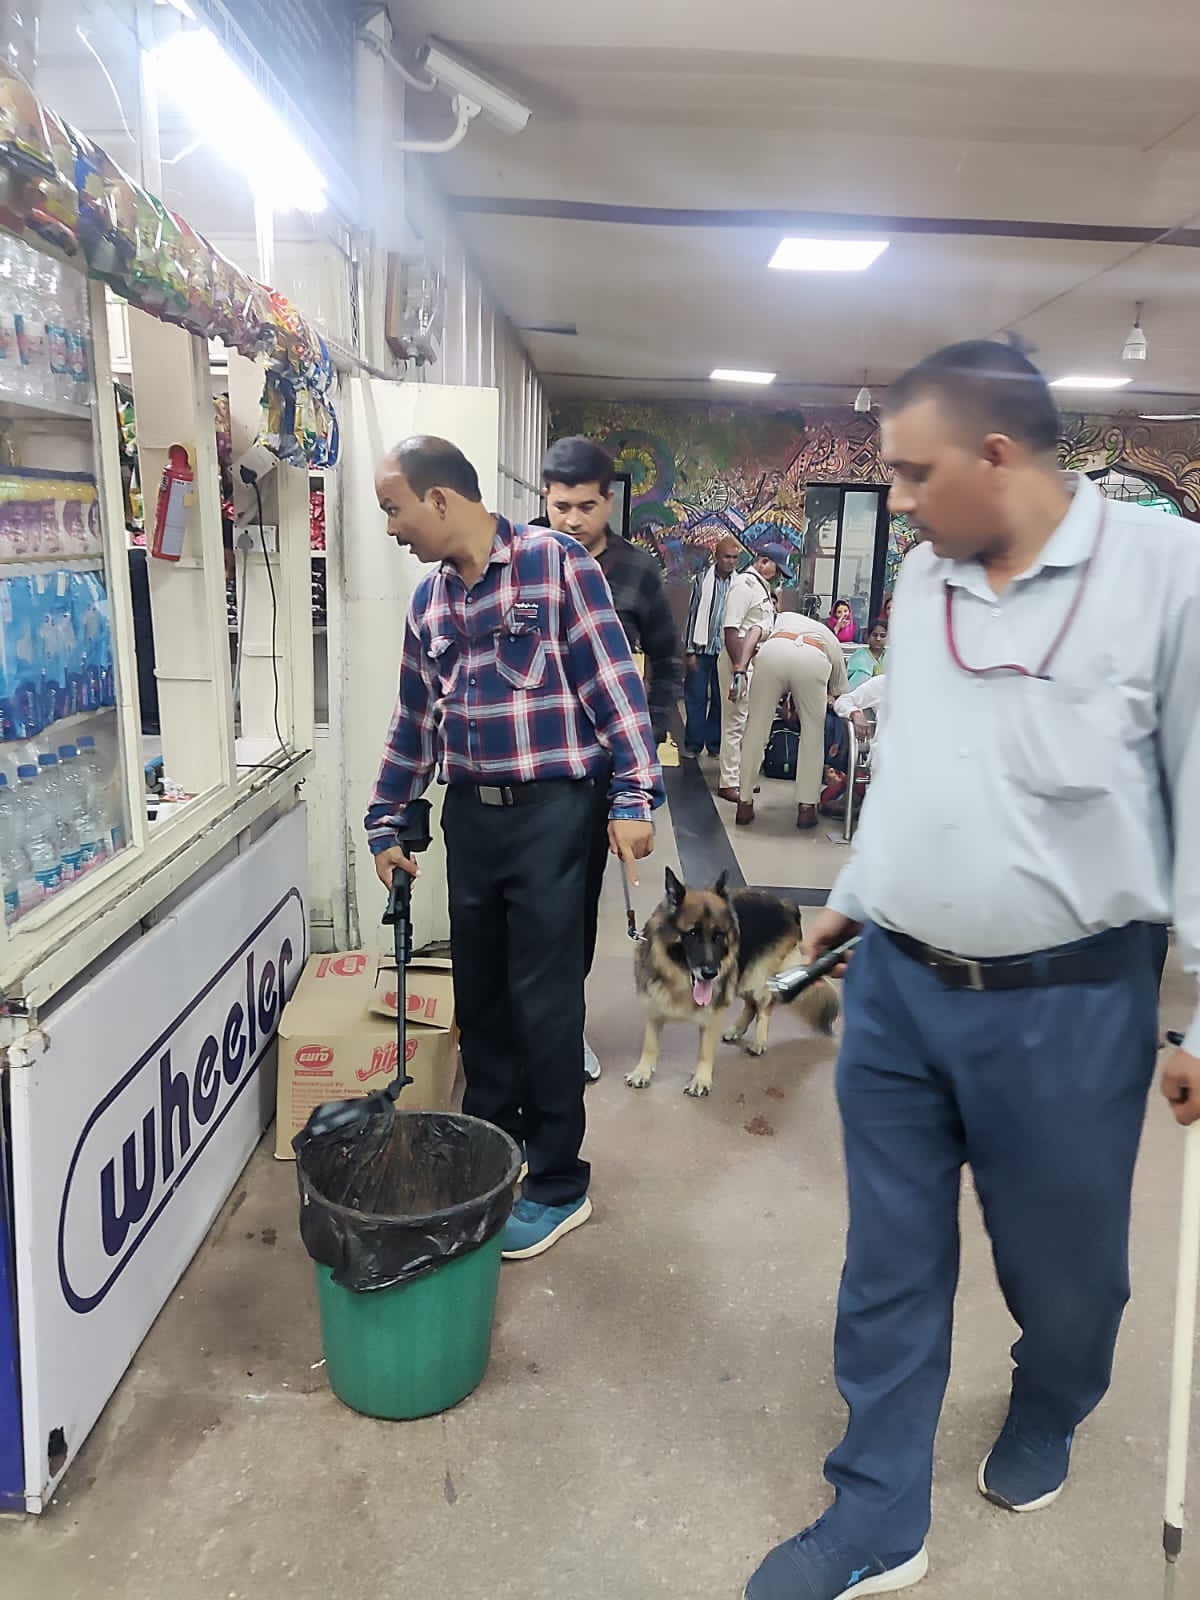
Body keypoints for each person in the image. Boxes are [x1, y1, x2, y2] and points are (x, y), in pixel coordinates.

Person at [745, 341, 1200, 1600]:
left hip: (1072, 1004)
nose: (895, 500)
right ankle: (877, 1511)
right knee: (888, 1262)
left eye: (912, 472)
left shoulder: (1167, 577)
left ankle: (1052, 1397)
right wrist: (852, 898)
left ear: (997, 457)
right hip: (899, 986)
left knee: (1065, 1270)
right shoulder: (927, 577)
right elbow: (918, 760)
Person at [364, 437, 662, 1261]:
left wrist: (633, 796)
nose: (390, 527)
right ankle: (495, 1156)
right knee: (484, 998)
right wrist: (386, 819)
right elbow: (413, 721)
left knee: (545, 1003)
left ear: (440, 500)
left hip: (555, 816)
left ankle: (560, 1182)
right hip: (473, 818)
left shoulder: (556, 565)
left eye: (393, 509)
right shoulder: (428, 602)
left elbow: (615, 686)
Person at [539, 435, 681, 1081]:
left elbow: (668, 662)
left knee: (575, 904)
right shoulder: (524, 558)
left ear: (609, 501)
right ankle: (523, 1029)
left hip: (598, 770)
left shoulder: (637, 572)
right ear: (545, 497)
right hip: (530, 765)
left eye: (586, 507)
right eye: (560, 506)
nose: (572, 520)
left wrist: (646, 739)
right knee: (528, 909)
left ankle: (566, 1030)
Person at [734, 611, 848, 830]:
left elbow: (754, 631)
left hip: (773, 653)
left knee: (755, 729)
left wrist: (740, 670)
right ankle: (806, 809)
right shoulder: (828, 636)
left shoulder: (781, 618)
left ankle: (744, 803)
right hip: (813, 657)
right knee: (812, 735)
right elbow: (839, 690)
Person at [716, 545, 787, 803]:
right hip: (739, 661)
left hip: (753, 662)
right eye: (776, 569)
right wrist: (740, 671)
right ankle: (729, 782)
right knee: (734, 722)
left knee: (747, 721)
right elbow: (731, 631)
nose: (778, 575)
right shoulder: (744, 585)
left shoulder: (761, 587)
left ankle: (741, 777)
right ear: (763, 561)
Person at [683, 534, 741, 757]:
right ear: (717, 556)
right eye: (727, 557)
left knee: (721, 700)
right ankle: (693, 744)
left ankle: (715, 746)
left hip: (726, 652)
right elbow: (692, 614)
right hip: (701, 649)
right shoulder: (701, 580)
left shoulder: (741, 584)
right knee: (696, 698)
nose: (731, 561)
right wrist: (689, 650)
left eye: (735, 558)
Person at [846, 616, 887, 688]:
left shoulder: (891, 656)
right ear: (868, 636)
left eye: (882, 636)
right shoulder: (859, 657)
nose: (878, 639)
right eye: (874, 635)